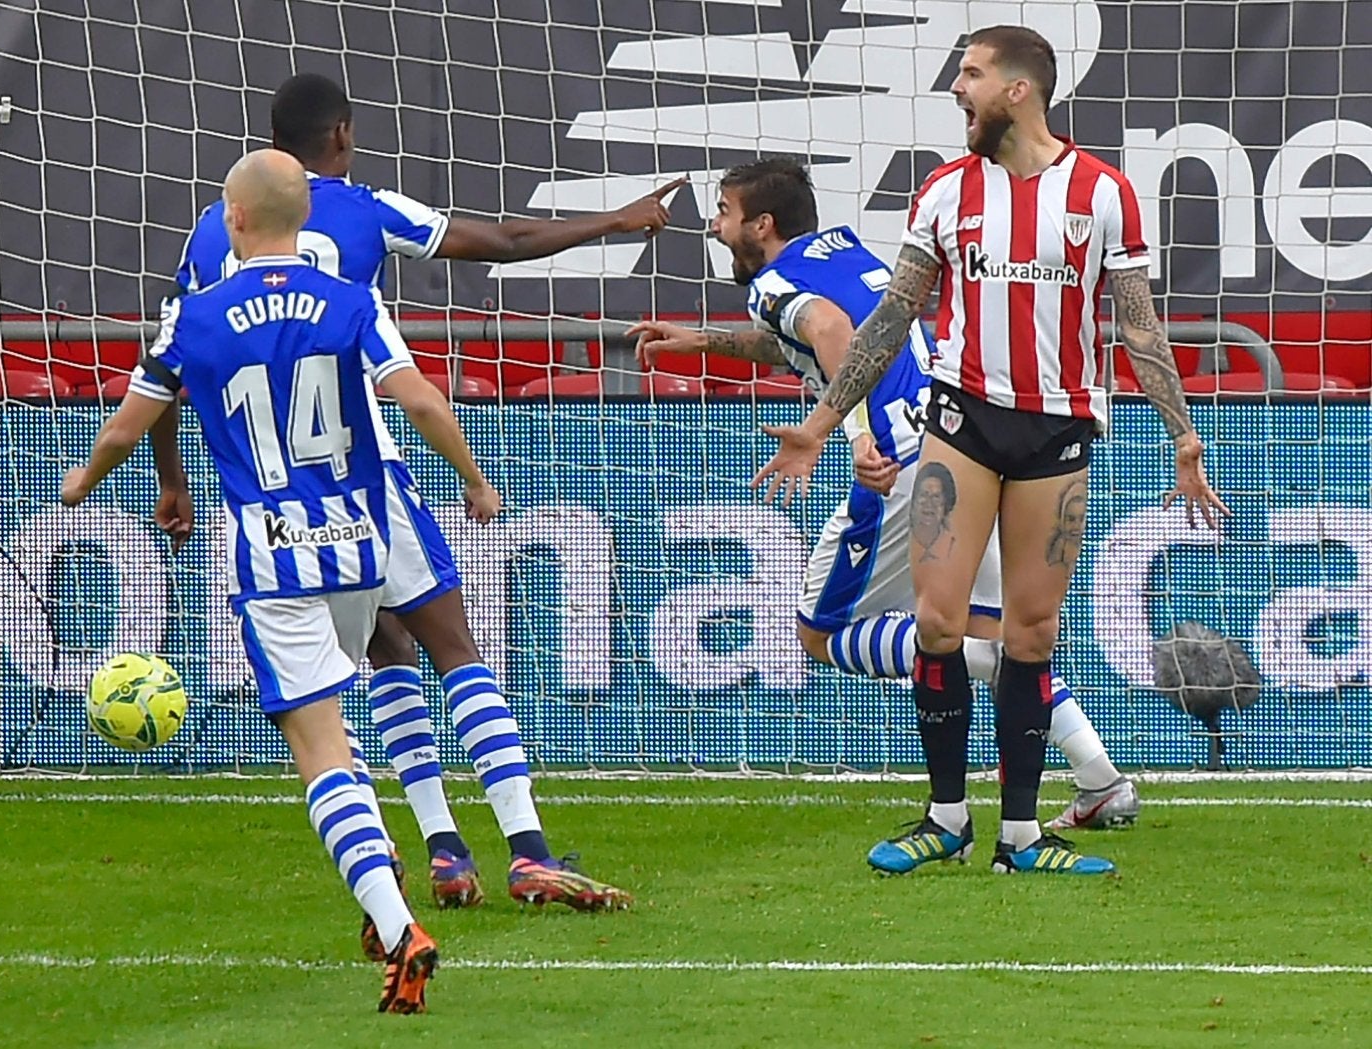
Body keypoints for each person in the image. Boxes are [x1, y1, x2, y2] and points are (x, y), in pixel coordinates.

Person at [152, 73, 666, 919]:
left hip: (271, 498)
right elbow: (497, 240)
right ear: (343, 136)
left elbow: (164, 370)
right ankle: (528, 847)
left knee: (383, 654)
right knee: (450, 642)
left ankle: (441, 847)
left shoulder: (216, 230)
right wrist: (616, 219)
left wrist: (174, 480)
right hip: (367, 475)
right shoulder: (362, 210)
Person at [753, 26, 1229, 875]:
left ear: (1017, 90)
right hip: (961, 426)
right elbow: (891, 316)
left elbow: (1138, 323)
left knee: (1031, 635)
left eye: (969, 74)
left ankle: (1018, 836)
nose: (956, 89)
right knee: (938, 622)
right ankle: (945, 817)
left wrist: (1183, 435)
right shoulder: (944, 192)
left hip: (1057, 433)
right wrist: (821, 425)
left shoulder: (1103, 191)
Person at [629, 158, 1138, 876]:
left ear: (761, 225)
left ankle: (974, 728)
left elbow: (834, 331)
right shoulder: (845, 249)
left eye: (723, 212)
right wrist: (707, 343)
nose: (715, 226)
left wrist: (856, 439)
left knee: (822, 630)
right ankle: (1100, 781)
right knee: (1001, 630)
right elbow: (816, 336)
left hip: (899, 466)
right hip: (956, 448)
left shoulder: (773, 283)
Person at [62, 150, 467, 1011]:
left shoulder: (192, 316)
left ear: (233, 220)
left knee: (318, 749)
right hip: (358, 546)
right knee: (343, 717)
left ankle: (398, 926)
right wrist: (474, 479)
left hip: (273, 559)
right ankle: (382, 881)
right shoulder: (355, 301)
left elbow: (131, 427)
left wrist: (76, 488)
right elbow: (422, 401)